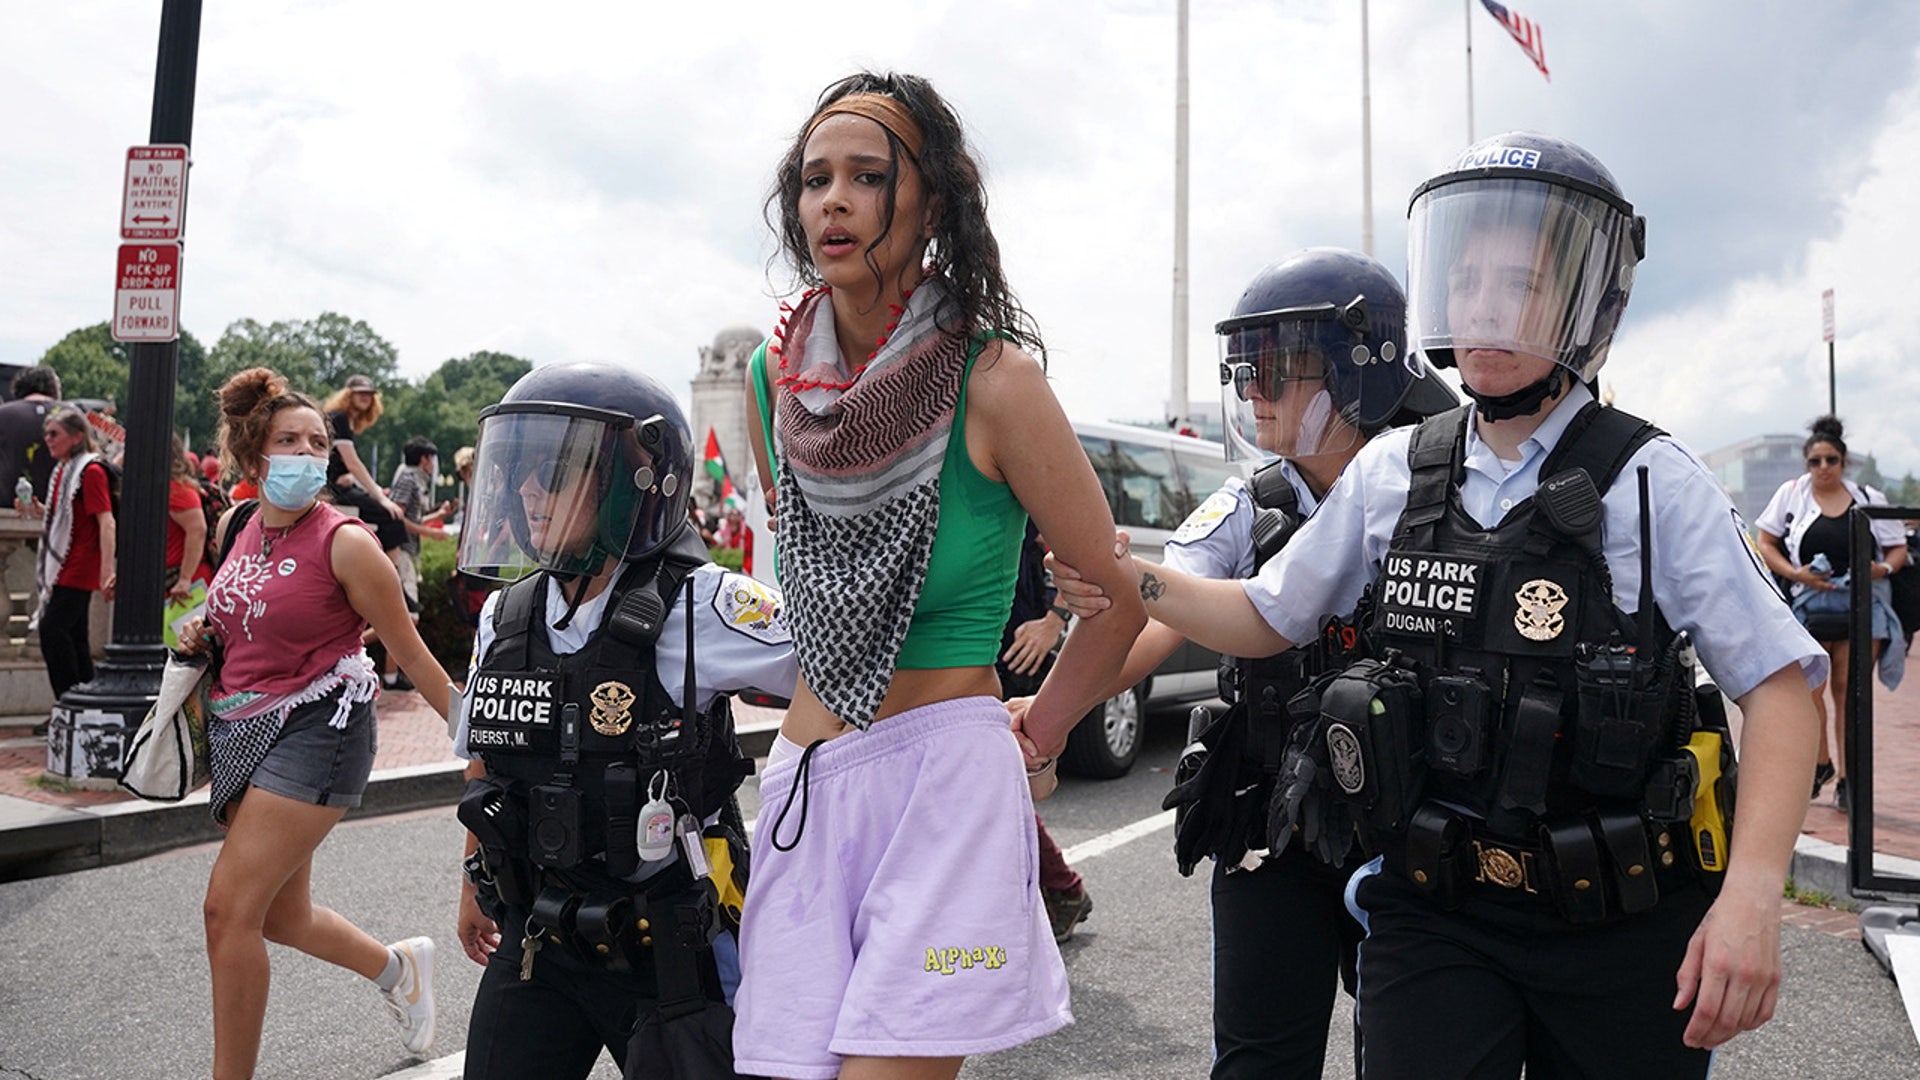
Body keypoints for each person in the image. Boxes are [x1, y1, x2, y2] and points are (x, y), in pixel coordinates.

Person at [1049, 133, 1824, 1077]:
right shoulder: (1397, 469)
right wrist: (1132, 574)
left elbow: (1782, 690)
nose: (1485, 307)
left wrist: (1750, 895)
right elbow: (1266, 615)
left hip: (1622, 923)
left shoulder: (1652, 481)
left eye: (1520, 283)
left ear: (1590, 302)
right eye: (1468, 279)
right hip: (1437, 912)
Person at [733, 71, 1146, 1080]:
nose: (832, 200)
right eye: (814, 178)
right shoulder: (769, 380)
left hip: (947, 785)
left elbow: (1118, 599)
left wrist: (1039, 729)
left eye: (866, 177)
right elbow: (809, 576)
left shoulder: (996, 381)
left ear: (931, 201)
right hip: (802, 785)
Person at [1039, 248, 1455, 1078]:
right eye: (1246, 368)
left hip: (1417, 822)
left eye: (1280, 368)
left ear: (1358, 371)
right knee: (1259, 1059)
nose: (1255, 389)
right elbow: (1154, 619)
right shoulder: (1247, 504)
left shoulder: (1440, 493)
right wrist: (1046, 715)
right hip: (1277, 817)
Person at [450, 360, 795, 1079]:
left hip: (668, 951)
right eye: (519, 472)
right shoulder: (506, 617)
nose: (527, 491)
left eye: (556, 471)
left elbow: (843, 673)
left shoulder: (703, 605)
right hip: (537, 941)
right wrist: (470, 886)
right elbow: (486, 760)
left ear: (635, 484)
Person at [174, 367, 455, 1080]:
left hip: (320, 730)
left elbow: (411, 654)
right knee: (278, 917)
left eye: (317, 442)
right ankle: (398, 970)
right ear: (252, 455)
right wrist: (200, 631)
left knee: (226, 911)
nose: (308, 453)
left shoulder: (348, 542)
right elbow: (236, 610)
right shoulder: (236, 523)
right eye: (289, 440)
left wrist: (481, 739)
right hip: (244, 726)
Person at [1754, 415, 1908, 812]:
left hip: (1862, 604)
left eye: (1832, 460)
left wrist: (1882, 569)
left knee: (1851, 693)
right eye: (1816, 461)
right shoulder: (1791, 494)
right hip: (1810, 604)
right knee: (1811, 693)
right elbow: (1766, 541)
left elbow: (1897, 549)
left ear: (1844, 462)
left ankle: (1849, 780)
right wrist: (1794, 573)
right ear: (1807, 464)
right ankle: (1821, 762)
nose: (1824, 468)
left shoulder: (1869, 498)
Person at [997, 521, 1092, 944]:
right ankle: (1061, 889)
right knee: (985, 786)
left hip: (1010, 656)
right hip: (953, 657)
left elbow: (1081, 553)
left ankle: (1065, 888)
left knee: (994, 785)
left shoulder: (1014, 462)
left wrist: (1053, 620)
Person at [26, 406, 116, 734]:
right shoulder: (65, 470)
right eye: (47, 433)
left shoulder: (89, 471)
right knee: (74, 637)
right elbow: (64, 517)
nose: (47, 439)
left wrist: (107, 572)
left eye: (54, 434)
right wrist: (37, 510)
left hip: (78, 567)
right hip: (68, 565)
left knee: (53, 632)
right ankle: (84, 703)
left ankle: (68, 705)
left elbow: (106, 522)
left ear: (76, 437)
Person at [384, 436, 454, 690]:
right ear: (425, 459)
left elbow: (414, 517)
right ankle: (390, 675)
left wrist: (439, 516)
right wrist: (431, 533)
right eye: (432, 459)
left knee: (405, 616)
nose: (434, 464)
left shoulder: (414, 479)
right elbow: (397, 517)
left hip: (408, 552)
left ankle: (393, 676)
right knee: (406, 617)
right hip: (401, 552)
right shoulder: (407, 479)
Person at [323, 373, 408, 561]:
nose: (365, 397)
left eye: (369, 394)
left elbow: (345, 464)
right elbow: (353, 463)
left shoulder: (345, 420)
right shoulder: (338, 418)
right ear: (347, 395)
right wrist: (379, 496)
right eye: (359, 393)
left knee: (387, 513)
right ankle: (391, 575)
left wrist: (352, 478)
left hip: (337, 484)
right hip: (328, 488)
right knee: (390, 516)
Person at [1, 365, 62, 505]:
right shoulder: (74, 414)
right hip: (63, 514)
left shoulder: (3, 414)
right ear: (54, 389)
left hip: (7, 512)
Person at [165, 431, 208, 598]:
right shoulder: (175, 487)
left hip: (181, 586)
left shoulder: (176, 490)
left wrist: (185, 578)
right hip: (177, 582)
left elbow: (197, 530)